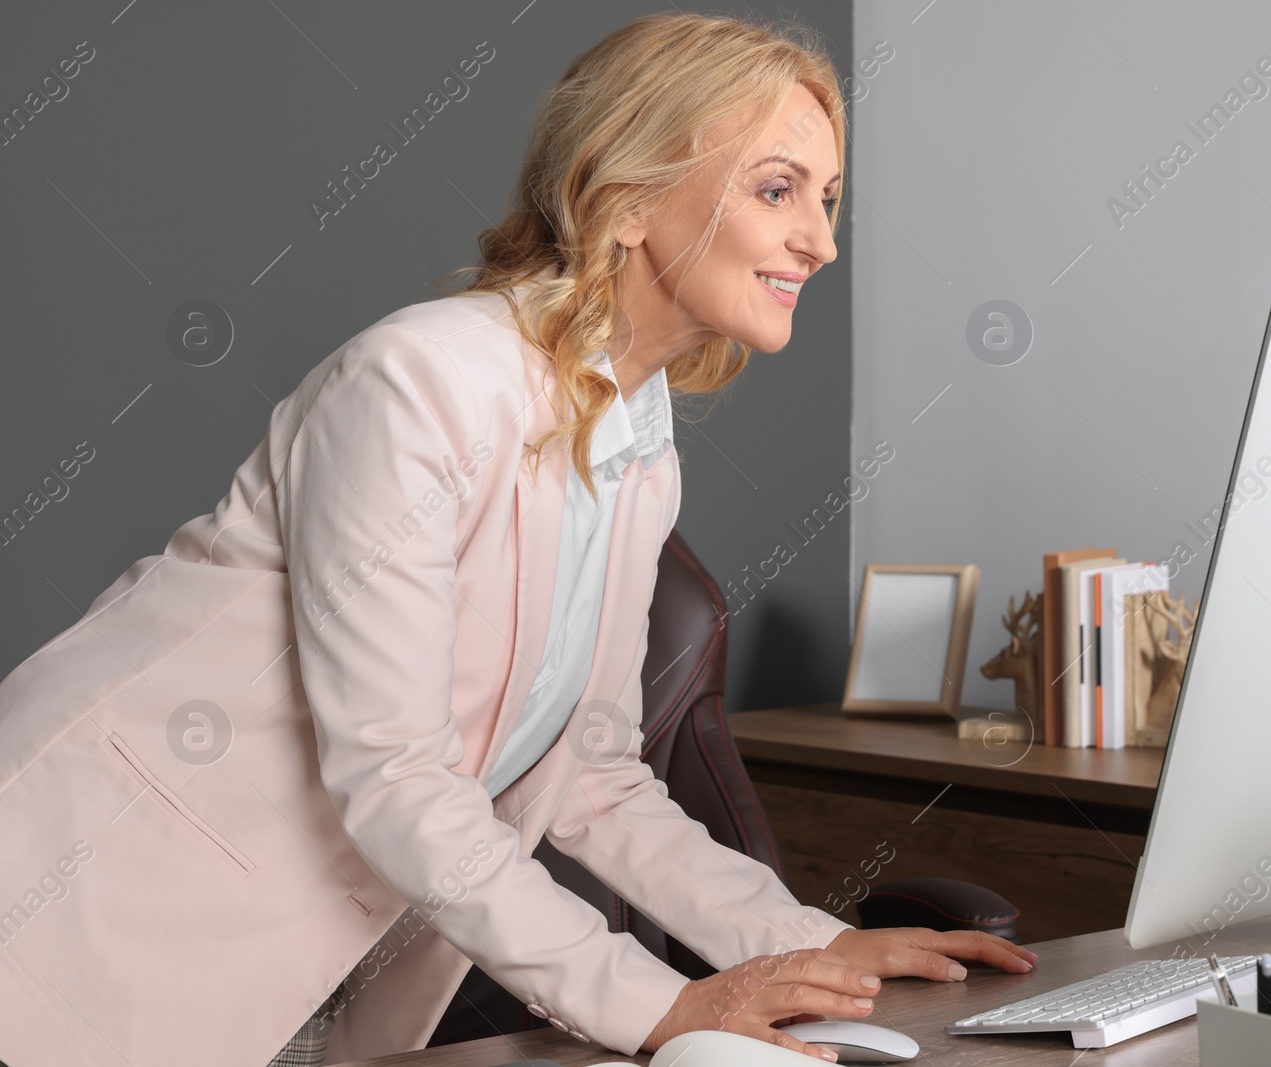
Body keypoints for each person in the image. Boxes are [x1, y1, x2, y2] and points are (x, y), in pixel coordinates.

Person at [0, 12, 1035, 1067]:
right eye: (777, 189)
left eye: (826, 198)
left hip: (311, 969)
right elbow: (399, 773)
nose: (817, 237)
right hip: (88, 901)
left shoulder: (639, 447)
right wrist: (660, 1004)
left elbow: (595, 773)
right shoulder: (420, 382)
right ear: (627, 199)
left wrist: (820, 944)